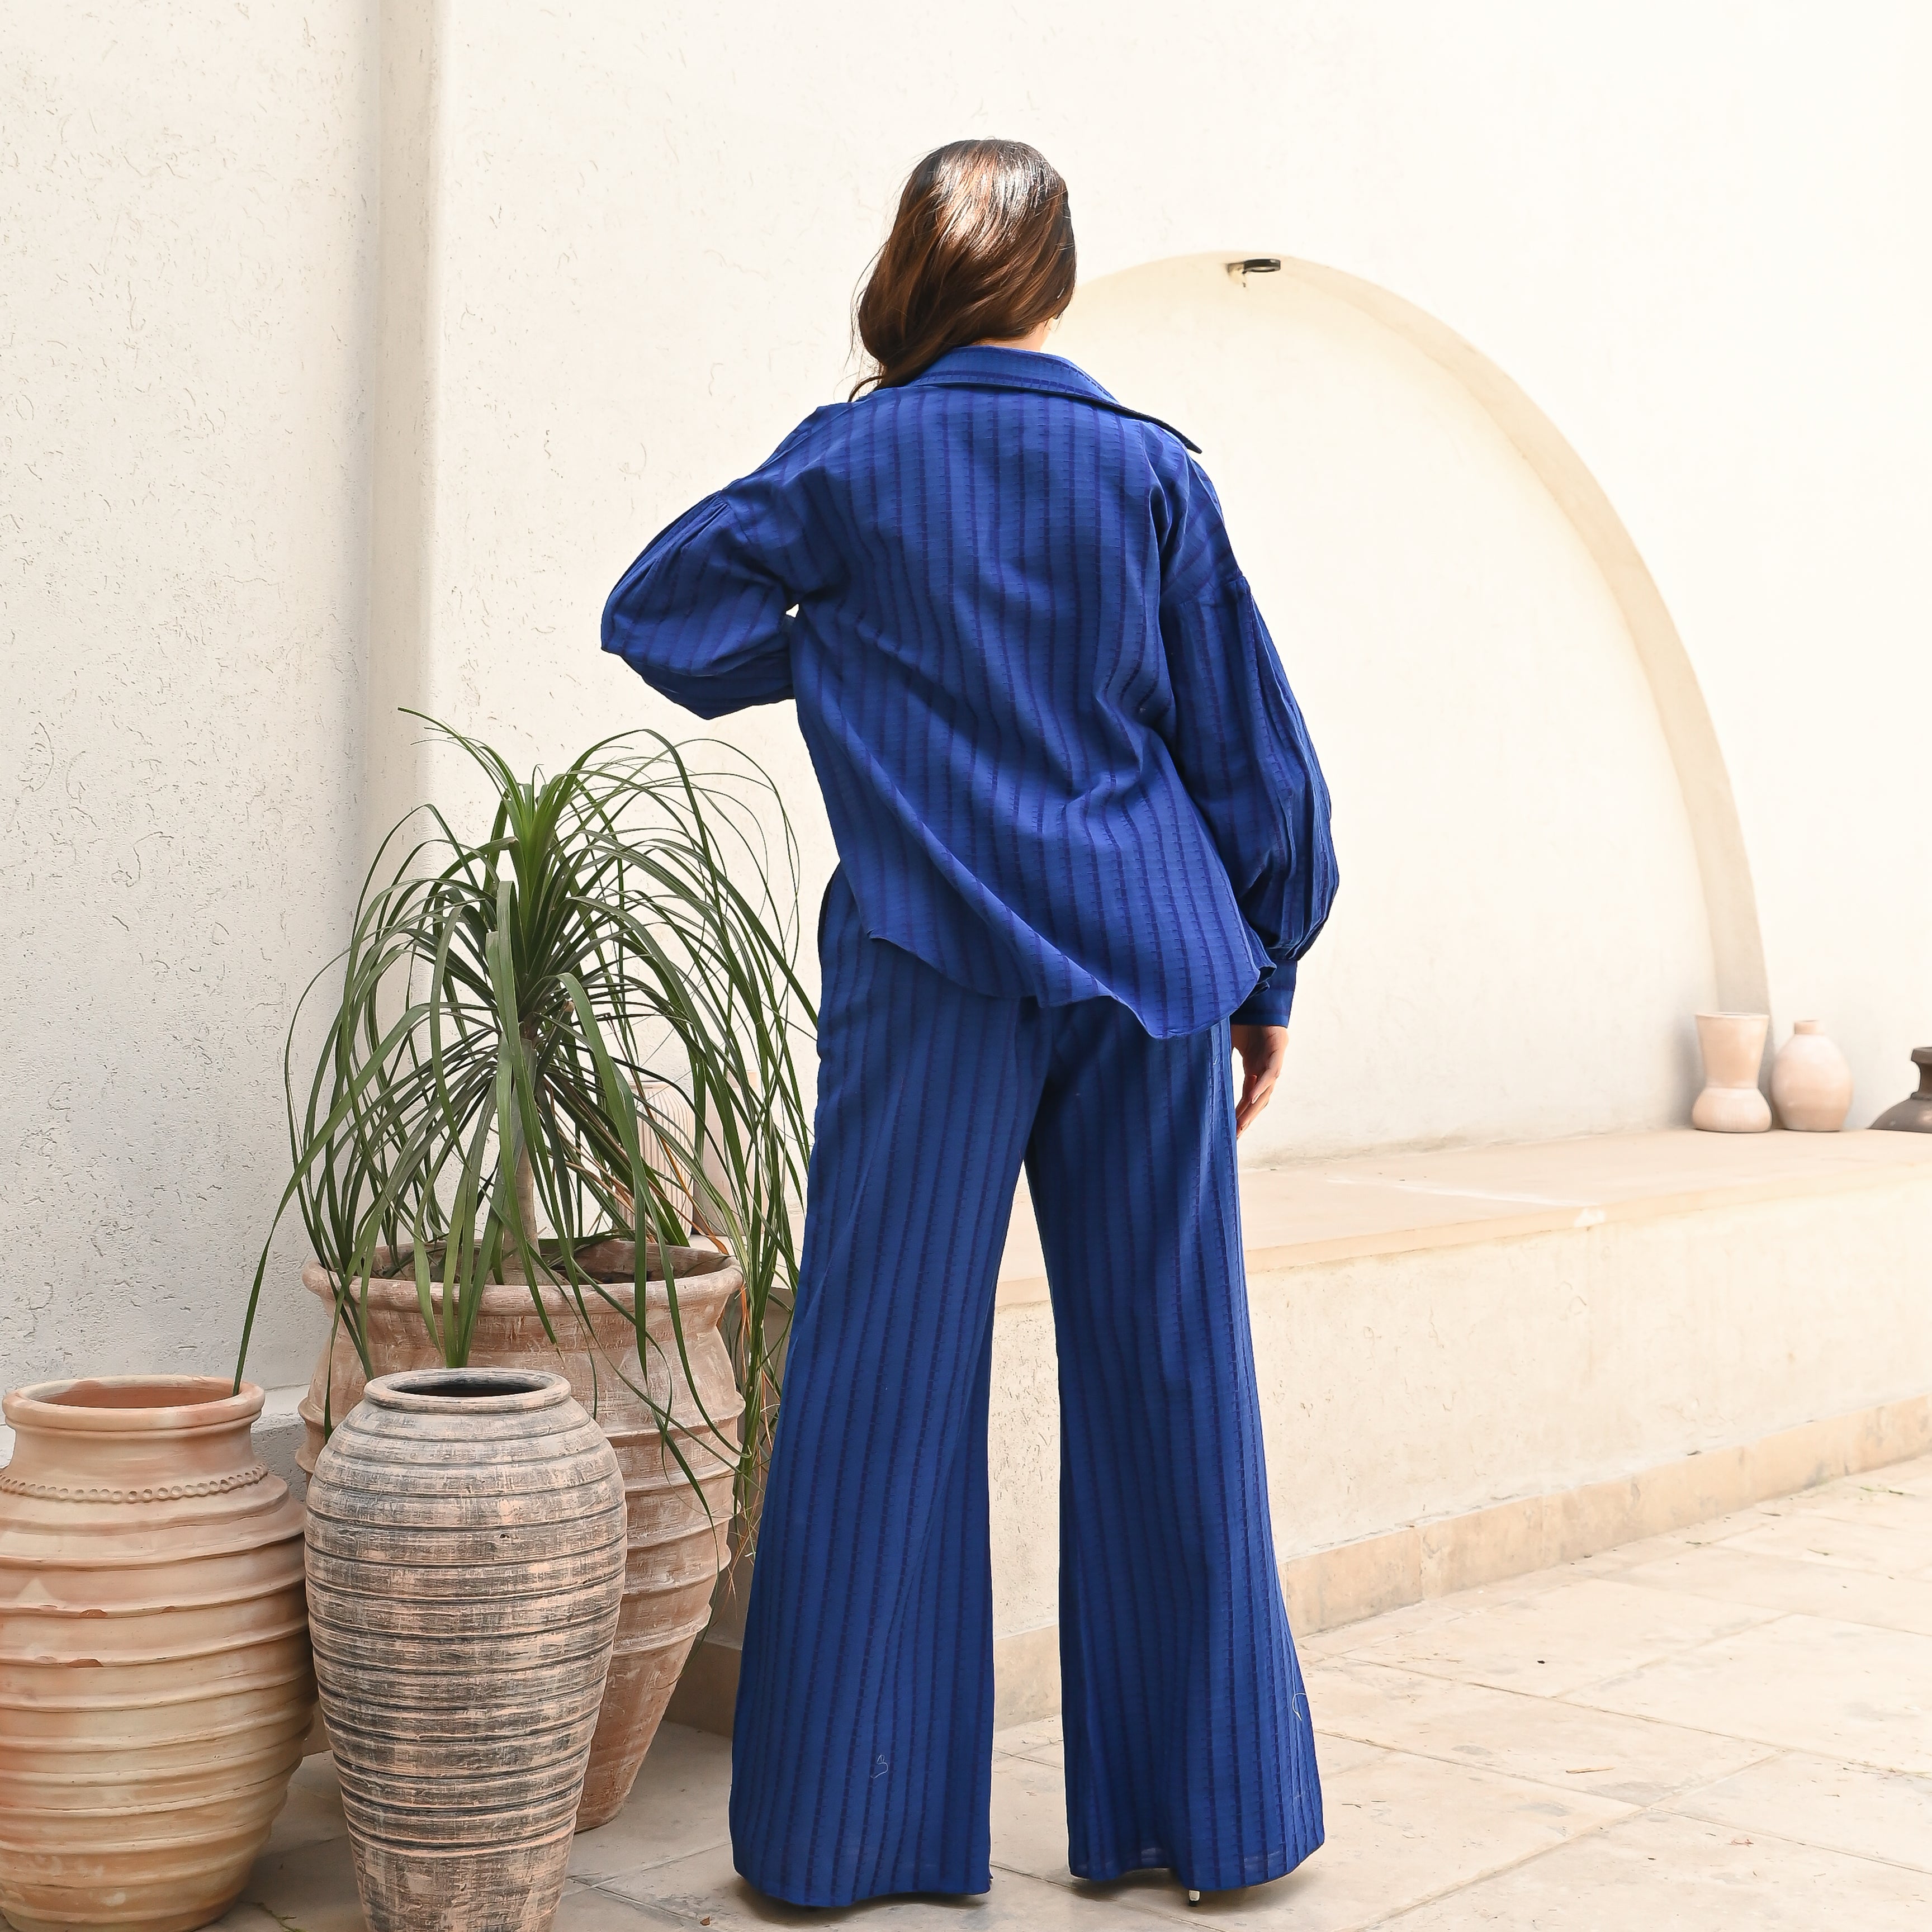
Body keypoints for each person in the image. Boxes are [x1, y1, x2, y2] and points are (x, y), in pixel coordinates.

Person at [603, 137, 1338, 1911]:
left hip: (927, 962)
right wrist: (1267, 975)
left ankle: (842, 1839)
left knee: (878, 1374)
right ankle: (1209, 1823)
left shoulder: (850, 462)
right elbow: (1252, 755)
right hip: (1151, 965)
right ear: (1057, 277)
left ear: (911, 269)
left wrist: (847, 643)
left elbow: (661, 612)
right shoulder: (1150, 472)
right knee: (1174, 1374)